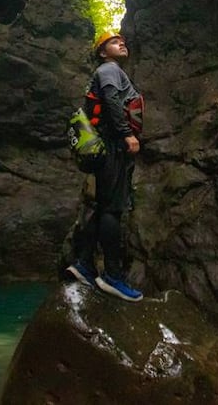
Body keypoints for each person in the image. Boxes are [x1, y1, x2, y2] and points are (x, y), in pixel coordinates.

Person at [66, 32, 145, 302]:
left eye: (123, 40)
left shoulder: (106, 70)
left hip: (105, 147)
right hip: (112, 147)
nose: (122, 42)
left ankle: (84, 264)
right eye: (114, 42)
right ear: (103, 52)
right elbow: (112, 101)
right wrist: (127, 134)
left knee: (101, 207)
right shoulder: (110, 69)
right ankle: (112, 275)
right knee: (113, 208)